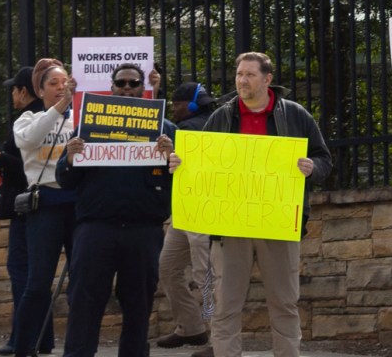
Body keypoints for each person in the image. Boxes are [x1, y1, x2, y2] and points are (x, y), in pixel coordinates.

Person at [194, 53, 325, 357]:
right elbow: (201, 164)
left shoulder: (295, 115)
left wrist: (311, 167)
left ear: (267, 79)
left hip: (277, 224)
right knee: (226, 305)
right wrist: (180, 163)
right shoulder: (222, 116)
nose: (242, 80)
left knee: (284, 303)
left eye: (250, 75)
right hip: (230, 225)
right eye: (239, 74)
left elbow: (324, 159)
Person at [56, 80, 179, 357]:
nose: (127, 87)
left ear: (143, 89)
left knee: (138, 306)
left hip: (144, 231)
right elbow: (64, 179)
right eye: (120, 83)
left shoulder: (166, 131)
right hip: (95, 229)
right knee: (84, 301)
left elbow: (185, 181)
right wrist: (71, 160)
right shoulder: (88, 128)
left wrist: (171, 157)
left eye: (134, 83)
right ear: (111, 90)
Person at [12, 60, 83, 357]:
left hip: (79, 207)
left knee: (81, 282)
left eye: (64, 82)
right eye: (53, 83)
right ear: (39, 90)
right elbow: (31, 140)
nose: (59, 88)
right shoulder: (27, 120)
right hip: (46, 207)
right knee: (38, 283)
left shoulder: (78, 121)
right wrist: (60, 106)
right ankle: (24, 346)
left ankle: (78, 346)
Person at [0, 67, 52, 357]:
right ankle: (42, 337)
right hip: (36, 206)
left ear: (24, 91)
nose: (12, 95)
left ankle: (23, 339)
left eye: (14, 89)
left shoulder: (30, 121)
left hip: (27, 207)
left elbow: (29, 168)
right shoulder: (47, 117)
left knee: (23, 273)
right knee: (35, 275)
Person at [156, 82, 215, 353]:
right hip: (183, 212)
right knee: (168, 267)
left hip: (202, 212)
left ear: (190, 104)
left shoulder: (191, 129)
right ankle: (191, 327)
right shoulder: (190, 127)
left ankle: (218, 341)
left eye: (176, 103)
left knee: (206, 276)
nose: (174, 109)